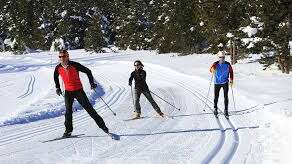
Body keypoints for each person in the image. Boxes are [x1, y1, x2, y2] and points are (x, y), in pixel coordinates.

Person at [54, 49, 109, 137]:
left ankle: (102, 126)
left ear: (67, 57)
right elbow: (55, 77)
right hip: (68, 92)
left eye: (63, 56)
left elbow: (88, 71)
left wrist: (92, 83)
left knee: (89, 109)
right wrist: (57, 87)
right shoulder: (58, 67)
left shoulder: (74, 65)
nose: (62, 58)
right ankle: (68, 131)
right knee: (68, 111)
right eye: (60, 57)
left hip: (78, 90)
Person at [209, 51, 234, 118]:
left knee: (226, 96)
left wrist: (231, 79)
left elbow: (231, 72)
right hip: (217, 82)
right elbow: (210, 70)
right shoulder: (215, 64)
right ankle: (215, 108)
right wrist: (212, 69)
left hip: (225, 82)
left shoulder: (227, 64)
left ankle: (226, 110)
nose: (222, 58)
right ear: (218, 57)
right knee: (216, 96)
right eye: (220, 57)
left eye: (223, 57)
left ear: (224, 57)